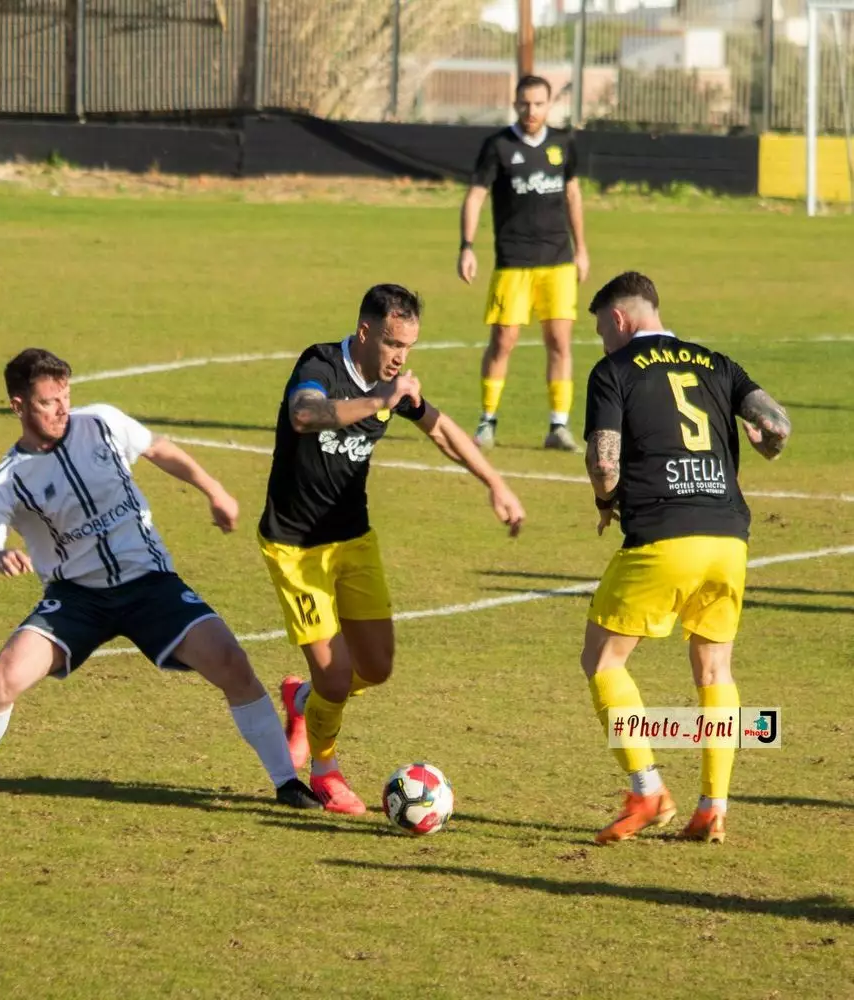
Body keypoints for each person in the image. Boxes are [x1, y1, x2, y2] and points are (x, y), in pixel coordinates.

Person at [0, 348, 320, 809]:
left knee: (231, 661)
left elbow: (160, 449)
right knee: (3, 679)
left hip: (150, 584)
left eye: (64, 395)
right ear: (18, 406)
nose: (61, 409)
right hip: (77, 600)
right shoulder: (10, 479)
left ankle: (287, 783)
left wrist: (215, 491)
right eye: (48, 401)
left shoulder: (102, 423)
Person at [264, 284, 526, 814]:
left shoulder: (395, 383)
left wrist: (495, 483)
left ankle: (303, 701)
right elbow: (305, 414)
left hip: (353, 539)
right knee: (337, 675)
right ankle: (324, 771)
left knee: (376, 667)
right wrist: (379, 400)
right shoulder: (320, 364)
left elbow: (442, 430)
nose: (400, 357)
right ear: (366, 333)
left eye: (407, 346)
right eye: (391, 344)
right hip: (295, 546)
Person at [580, 271, 790, 845]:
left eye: (602, 331)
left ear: (620, 321)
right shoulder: (718, 364)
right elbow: (777, 425)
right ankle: (712, 807)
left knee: (603, 661)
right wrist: (765, 446)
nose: (603, 342)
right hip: (728, 539)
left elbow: (604, 461)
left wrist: (605, 502)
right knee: (715, 670)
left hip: (663, 536)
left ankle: (647, 789)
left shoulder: (613, 371)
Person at [458, 74, 591, 452]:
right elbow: (474, 197)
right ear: (515, 104)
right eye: (524, 104)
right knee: (503, 341)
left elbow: (573, 196)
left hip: (558, 261)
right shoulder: (497, 146)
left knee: (559, 340)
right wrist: (467, 246)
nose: (531, 111)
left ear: (550, 105)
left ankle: (558, 427)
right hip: (513, 261)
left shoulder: (564, 144)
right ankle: (487, 421)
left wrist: (582, 249)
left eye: (538, 104)